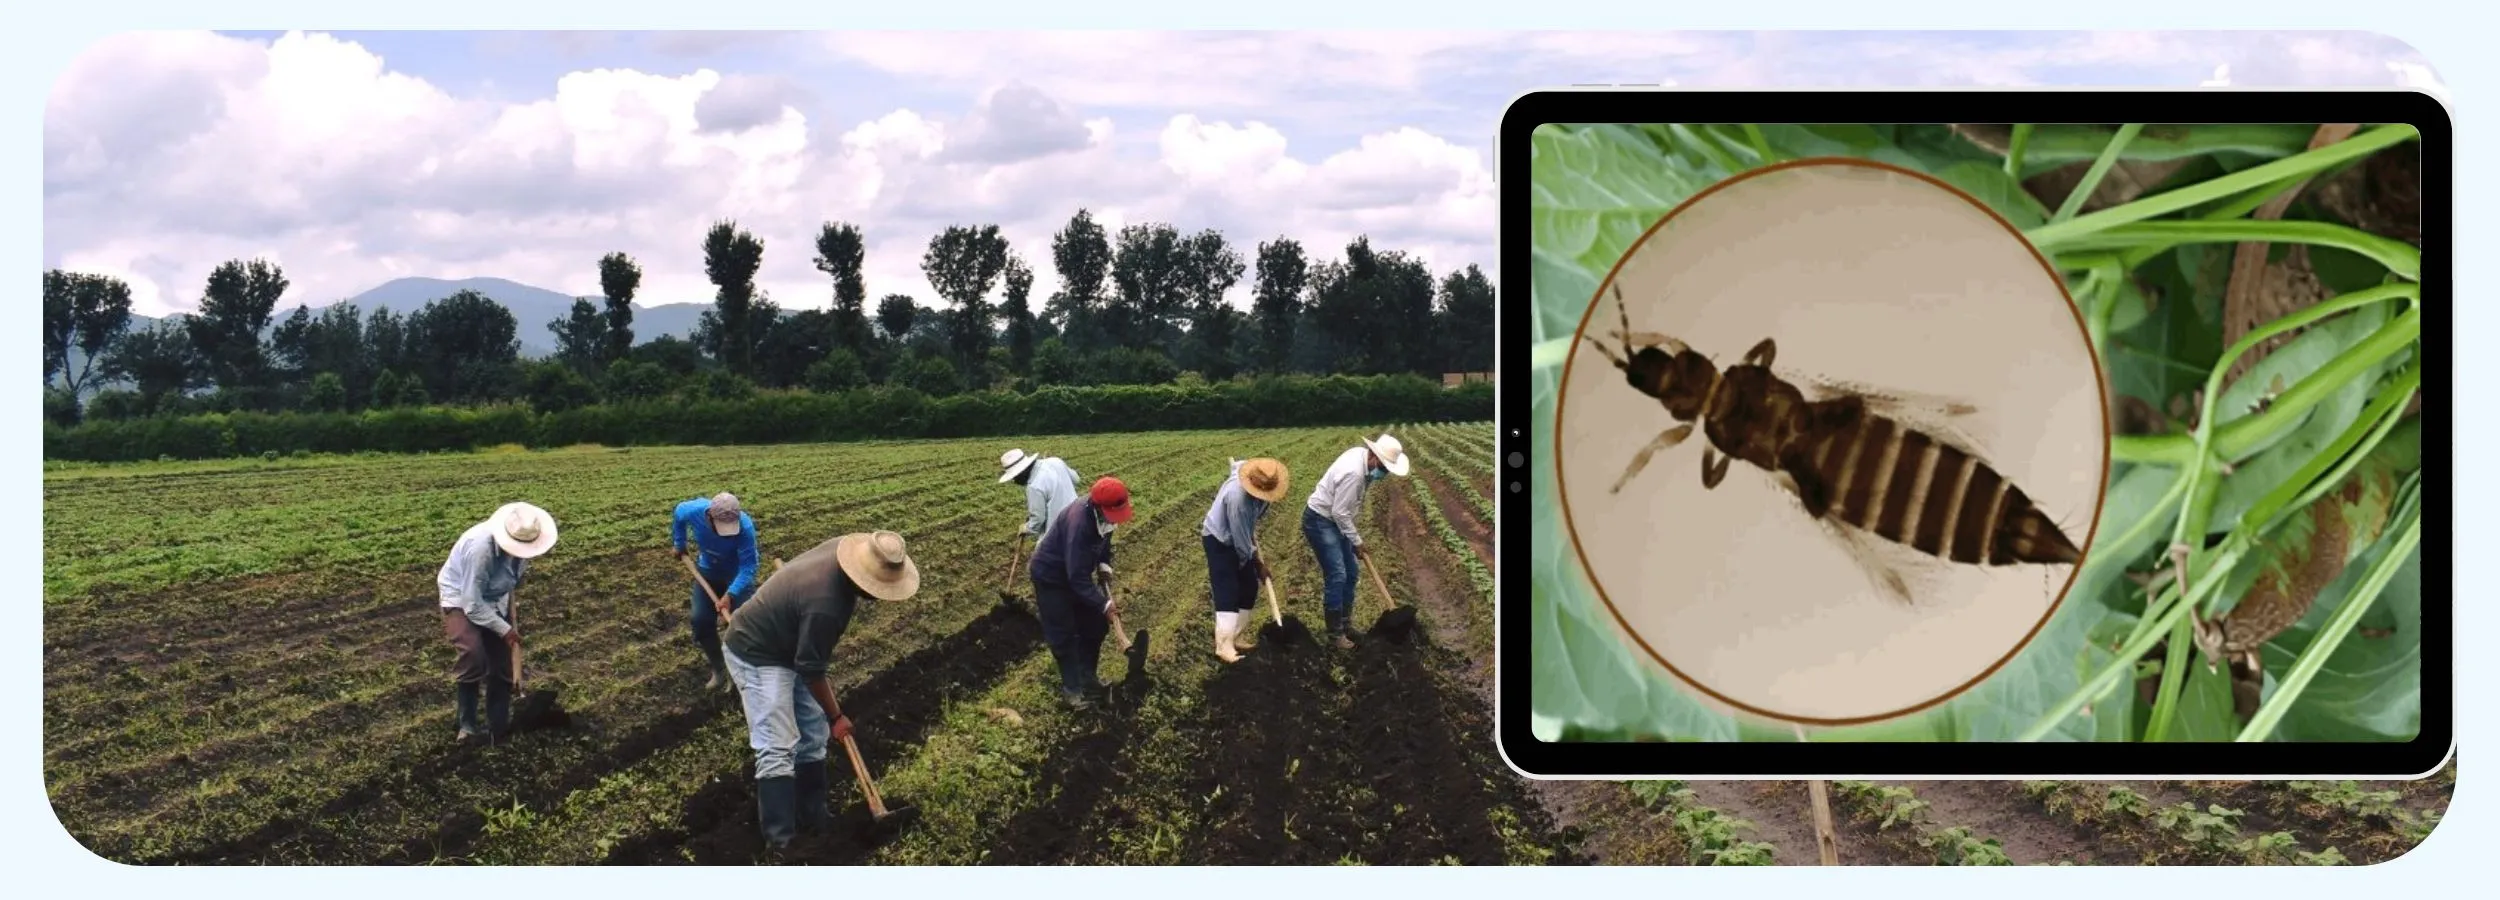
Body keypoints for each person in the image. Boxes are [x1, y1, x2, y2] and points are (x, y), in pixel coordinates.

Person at [722, 530, 920, 851]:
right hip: (756, 651)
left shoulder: (849, 551)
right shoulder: (827, 604)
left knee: (813, 732)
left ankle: (815, 817)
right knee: (777, 742)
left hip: (790, 645)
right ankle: (782, 841)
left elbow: (808, 662)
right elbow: (812, 668)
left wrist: (827, 720)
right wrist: (837, 716)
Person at [436, 502, 559, 744]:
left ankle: (498, 727)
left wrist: (504, 625)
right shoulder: (480, 548)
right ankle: (467, 725)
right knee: (473, 654)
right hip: (461, 596)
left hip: (494, 598)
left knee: (502, 664)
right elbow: (472, 602)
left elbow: (510, 580)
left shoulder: (525, 544)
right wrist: (504, 630)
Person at [1029, 476, 1131, 709]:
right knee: (1063, 634)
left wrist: (1104, 563)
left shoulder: (1105, 517)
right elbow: (1076, 577)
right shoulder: (1079, 523)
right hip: (1052, 577)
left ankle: (1088, 677)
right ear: (1098, 507)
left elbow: (1105, 539)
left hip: (1077, 574)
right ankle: (1072, 690)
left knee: (1095, 625)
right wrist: (1104, 604)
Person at [1301, 433, 1411, 649]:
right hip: (1320, 520)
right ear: (1374, 457)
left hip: (1337, 519)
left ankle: (1345, 624)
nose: (1384, 473)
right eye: (1384, 468)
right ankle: (1335, 636)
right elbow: (1340, 512)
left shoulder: (1363, 459)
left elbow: (1345, 511)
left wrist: (1352, 538)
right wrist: (1357, 541)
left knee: (1352, 572)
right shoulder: (1354, 473)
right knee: (1338, 574)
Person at [1201, 457, 1289, 662]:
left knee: (1249, 586)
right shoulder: (1238, 500)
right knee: (1228, 588)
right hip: (1219, 539)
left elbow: (1237, 465)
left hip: (1240, 535)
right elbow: (1241, 544)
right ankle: (1223, 647)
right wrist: (1257, 564)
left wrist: (1251, 565)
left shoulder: (1258, 477)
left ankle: (1236, 636)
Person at [673, 492, 760, 692]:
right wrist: (679, 544)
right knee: (700, 620)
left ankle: (744, 676)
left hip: (736, 576)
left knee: (742, 628)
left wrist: (730, 594)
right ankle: (720, 670)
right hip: (708, 572)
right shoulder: (693, 510)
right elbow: (678, 514)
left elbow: (748, 567)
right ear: (709, 517)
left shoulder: (745, 528)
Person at [999, 448, 1082, 538]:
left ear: (1023, 471)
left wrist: (1026, 528)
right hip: (1078, 517)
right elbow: (1076, 479)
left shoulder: (1034, 486)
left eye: (1015, 476)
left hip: (1058, 532)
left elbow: (1038, 519)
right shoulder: (1056, 461)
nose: (1015, 480)